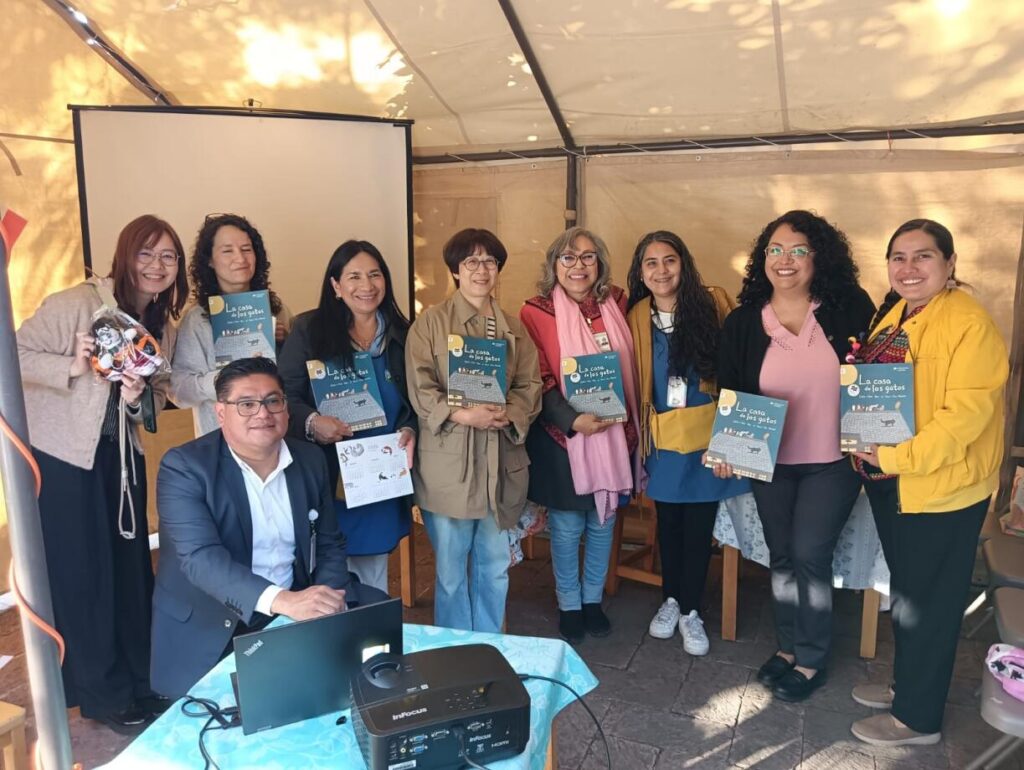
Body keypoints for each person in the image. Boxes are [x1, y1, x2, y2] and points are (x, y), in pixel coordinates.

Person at [17, 214, 187, 733]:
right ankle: (103, 694)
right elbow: (12, 353)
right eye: (146, 253)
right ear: (124, 255)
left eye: (168, 257)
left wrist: (137, 397)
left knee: (130, 571)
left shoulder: (162, 326)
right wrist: (69, 366)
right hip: (65, 459)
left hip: (121, 458)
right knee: (85, 575)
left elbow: (152, 401)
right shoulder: (76, 304)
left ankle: (141, 680)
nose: (157, 266)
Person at [847, 220, 1008, 746]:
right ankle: (907, 687)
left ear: (950, 263)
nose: (908, 268)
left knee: (929, 605)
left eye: (923, 256)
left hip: (939, 487)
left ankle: (917, 721)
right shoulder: (897, 312)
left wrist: (897, 456)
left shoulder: (969, 323)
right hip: (896, 480)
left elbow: (965, 418)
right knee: (909, 593)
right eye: (898, 257)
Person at [151, 358, 387, 697]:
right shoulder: (186, 467)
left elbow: (329, 543)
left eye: (272, 401)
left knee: (375, 660)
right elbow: (201, 559)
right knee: (240, 714)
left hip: (296, 607)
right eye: (246, 404)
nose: (262, 413)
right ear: (221, 413)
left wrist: (325, 601)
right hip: (219, 619)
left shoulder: (310, 459)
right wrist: (284, 601)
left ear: (286, 409)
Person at [716, 210, 875, 702]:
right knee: (781, 554)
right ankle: (787, 648)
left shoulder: (849, 308)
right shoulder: (744, 322)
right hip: (771, 463)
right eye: (775, 250)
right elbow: (731, 392)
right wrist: (726, 448)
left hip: (833, 461)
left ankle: (811, 658)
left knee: (809, 553)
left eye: (798, 250)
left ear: (818, 257)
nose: (785, 260)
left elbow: (876, 375)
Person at [405, 228, 541, 633]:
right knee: (450, 572)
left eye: (490, 262)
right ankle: (454, 650)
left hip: (500, 464)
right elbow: (420, 386)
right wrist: (462, 415)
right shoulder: (429, 325)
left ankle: (489, 644)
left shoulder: (514, 329)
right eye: (471, 262)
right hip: (449, 467)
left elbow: (530, 386)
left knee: (495, 567)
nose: (482, 270)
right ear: (455, 271)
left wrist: (508, 412)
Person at [626, 230, 749, 655]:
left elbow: (738, 367)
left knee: (698, 528)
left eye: (669, 260)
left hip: (707, 438)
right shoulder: (635, 316)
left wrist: (736, 436)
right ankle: (671, 601)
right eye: (651, 263)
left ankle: (691, 610)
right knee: (669, 524)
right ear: (640, 272)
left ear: (684, 264)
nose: (661, 270)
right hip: (662, 440)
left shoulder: (713, 304)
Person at [519, 227, 639, 644]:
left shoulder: (618, 303)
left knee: (604, 522)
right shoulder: (534, 313)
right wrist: (573, 420)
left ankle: (592, 600)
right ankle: (569, 604)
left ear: (600, 263)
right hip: (564, 435)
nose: (578, 266)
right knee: (568, 526)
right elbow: (536, 377)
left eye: (588, 257)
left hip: (615, 432)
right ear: (554, 264)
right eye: (568, 257)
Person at [278, 240, 415, 593]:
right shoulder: (309, 330)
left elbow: (419, 399)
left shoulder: (404, 334)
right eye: (354, 276)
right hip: (327, 473)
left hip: (380, 473)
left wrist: (410, 428)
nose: (366, 285)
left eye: (375, 274)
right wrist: (312, 422)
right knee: (325, 575)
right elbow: (284, 394)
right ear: (336, 285)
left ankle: (371, 624)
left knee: (373, 576)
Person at [171, 213, 293, 436]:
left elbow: (294, 380)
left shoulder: (277, 310)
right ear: (209, 260)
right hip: (221, 441)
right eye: (227, 251)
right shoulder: (197, 320)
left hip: (276, 437)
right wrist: (225, 378)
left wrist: (286, 344)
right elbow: (179, 391)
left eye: (247, 249)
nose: (240, 258)